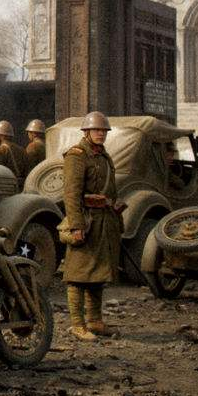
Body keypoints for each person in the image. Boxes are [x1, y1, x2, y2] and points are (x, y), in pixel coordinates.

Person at [61, 111, 122, 341]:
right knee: (77, 275)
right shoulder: (77, 155)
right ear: (86, 132)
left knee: (97, 274)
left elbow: (111, 191)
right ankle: (77, 324)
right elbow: (71, 194)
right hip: (86, 222)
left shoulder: (104, 156)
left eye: (104, 131)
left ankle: (95, 321)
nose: (101, 134)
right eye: (97, 130)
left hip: (104, 222)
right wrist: (76, 225)